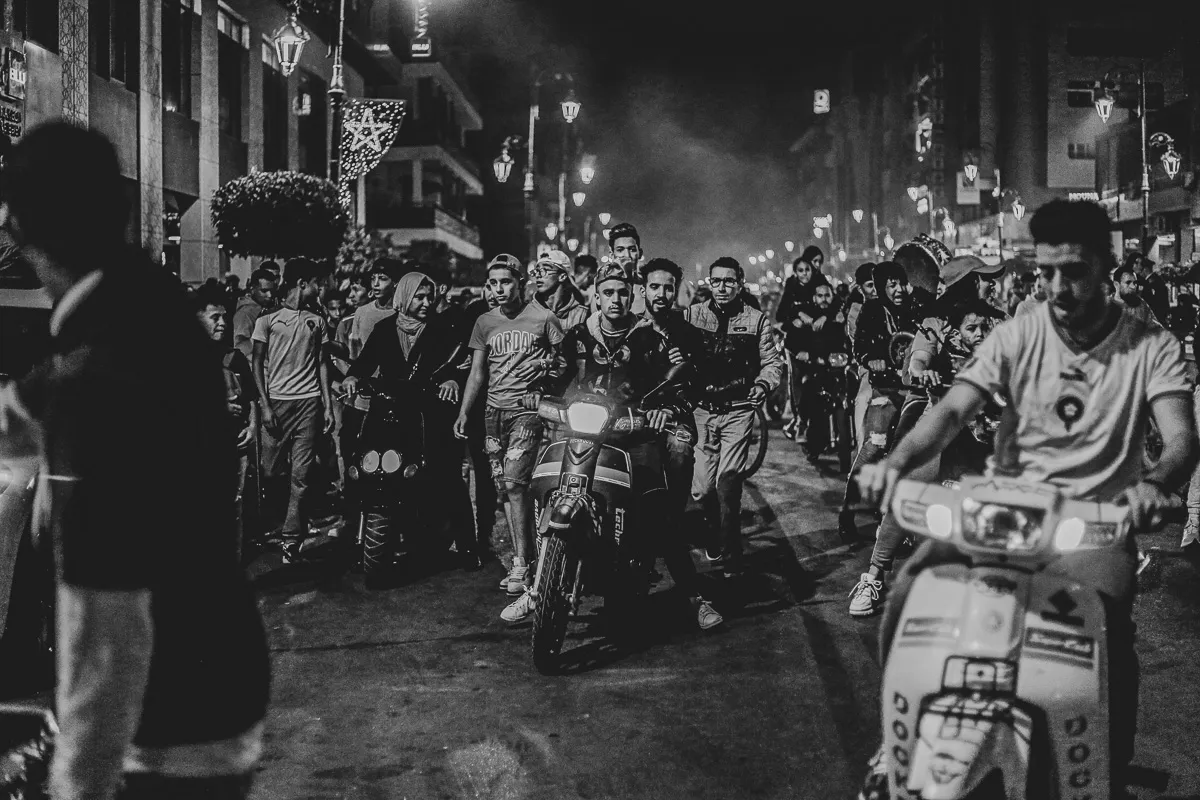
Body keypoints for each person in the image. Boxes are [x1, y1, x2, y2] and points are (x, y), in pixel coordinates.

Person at [855, 200, 1196, 798]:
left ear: (1106, 268)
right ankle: (897, 740)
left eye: (1075, 271)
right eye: (1046, 273)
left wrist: (1157, 484)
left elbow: (1181, 440)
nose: (1059, 287)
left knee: (1107, 638)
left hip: (1094, 523)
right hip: (1004, 508)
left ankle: (1101, 773)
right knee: (913, 591)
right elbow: (953, 410)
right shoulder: (1017, 333)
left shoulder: (1151, 346)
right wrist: (897, 461)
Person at [0, 121, 269, 800]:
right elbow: (35, 401)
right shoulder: (138, 301)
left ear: (15, 222)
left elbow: (108, 629)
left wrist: (77, 781)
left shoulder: (103, 381)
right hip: (208, 675)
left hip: (166, 721)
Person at [551, 259, 723, 629]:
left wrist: (664, 408)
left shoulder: (650, 339)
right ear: (596, 297)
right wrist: (536, 397)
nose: (615, 300)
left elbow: (672, 387)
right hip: (584, 434)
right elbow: (557, 375)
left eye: (621, 293)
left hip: (636, 435)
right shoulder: (578, 336)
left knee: (659, 513)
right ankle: (537, 585)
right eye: (608, 293)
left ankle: (695, 597)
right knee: (547, 486)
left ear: (633, 298)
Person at [846, 297, 1005, 616]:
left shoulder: (1001, 342)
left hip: (984, 441)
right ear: (957, 332)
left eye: (981, 327)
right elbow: (917, 364)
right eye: (970, 328)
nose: (978, 332)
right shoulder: (934, 331)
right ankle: (874, 576)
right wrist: (924, 373)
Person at [453, 254, 565, 622]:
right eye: (494, 283)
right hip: (492, 415)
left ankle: (522, 565)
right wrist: (465, 412)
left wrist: (547, 374)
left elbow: (565, 363)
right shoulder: (484, 322)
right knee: (505, 487)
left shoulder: (544, 319)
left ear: (522, 283)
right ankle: (528, 557)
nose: (499, 289)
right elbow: (477, 373)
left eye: (506, 282)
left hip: (526, 413)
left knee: (516, 482)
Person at [342, 271, 477, 574]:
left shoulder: (442, 330)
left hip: (427, 414)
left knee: (447, 475)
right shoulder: (384, 328)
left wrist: (453, 381)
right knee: (362, 463)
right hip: (387, 412)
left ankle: (468, 547)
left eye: (429, 297)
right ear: (404, 297)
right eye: (419, 296)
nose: (426, 303)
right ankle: (356, 531)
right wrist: (353, 376)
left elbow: (456, 365)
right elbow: (365, 362)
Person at [685, 257, 783, 573]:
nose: (723, 287)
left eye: (729, 281)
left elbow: (772, 362)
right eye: (717, 281)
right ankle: (713, 533)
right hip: (701, 411)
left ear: (740, 283)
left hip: (738, 412)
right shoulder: (693, 316)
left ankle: (731, 554)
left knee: (729, 484)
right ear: (709, 283)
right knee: (702, 489)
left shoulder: (756, 320)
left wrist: (762, 385)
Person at [251, 258, 335, 556]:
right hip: (276, 403)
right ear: (302, 283)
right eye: (316, 283)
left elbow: (323, 363)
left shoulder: (318, 320)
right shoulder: (268, 318)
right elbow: (257, 362)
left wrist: (326, 404)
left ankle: (291, 536)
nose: (319, 288)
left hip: (309, 404)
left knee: (301, 475)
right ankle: (273, 525)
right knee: (270, 471)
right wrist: (265, 404)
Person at [837, 261, 917, 538]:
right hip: (885, 392)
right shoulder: (871, 309)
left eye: (900, 283)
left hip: (915, 392)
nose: (897, 289)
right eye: (891, 284)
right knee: (872, 448)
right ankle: (848, 510)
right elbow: (859, 345)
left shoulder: (915, 307)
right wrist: (872, 359)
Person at [196, 287, 260, 561]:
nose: (222, 323)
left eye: (224, 317)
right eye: (214, 317)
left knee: (233, 505)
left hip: (235, 443)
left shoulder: (234, 358)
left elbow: (252, 397)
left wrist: (253, 426)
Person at [792, 282, 850, 468]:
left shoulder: (839, 315)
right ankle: (809, 436)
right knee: (810, 394)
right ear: (814, 298)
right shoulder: (806, 317)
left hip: (837, 367)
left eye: (827, 295)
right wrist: (804, 353)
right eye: (820, 295)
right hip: (815, 368)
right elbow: (793, 338)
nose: (824, 299)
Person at [776, 247, 830, 441]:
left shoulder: (822, 283)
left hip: (819, 342)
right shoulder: (791, 286)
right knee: (796, 383)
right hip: (796, 344)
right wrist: (797, 315)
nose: (812, 269)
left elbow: (832, 305)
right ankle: (800, 421)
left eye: (817, 263)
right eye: (810, 264)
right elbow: (781, 313)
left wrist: (826, 316)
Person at [349, 258, 402, 360]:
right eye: (373, 278)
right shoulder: (361, 312)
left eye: (382, 278)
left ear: (395, 282)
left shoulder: (402, 312)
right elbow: (355, 353)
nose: (376, 284)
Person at [532, 249, 589, 330]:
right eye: (537, 270)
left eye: (545, 269)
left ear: (562, 276)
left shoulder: (581, 315)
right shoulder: (528, 312)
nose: (538, 275)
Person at [232, 265, 277, 360]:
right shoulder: (245, 313)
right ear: (252, 289)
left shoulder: (265, 307)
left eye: (272, 291)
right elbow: (240, 348)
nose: (270, 295)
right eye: (264, 291)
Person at [608, 223, 647, 315]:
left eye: (632, 250)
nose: (627, 256)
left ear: (640, 253)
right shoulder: (602, 289)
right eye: (620, 250)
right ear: (612, 255)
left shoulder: (649, 288)